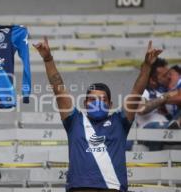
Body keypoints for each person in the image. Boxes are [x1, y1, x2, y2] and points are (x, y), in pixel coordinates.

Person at [33, 37, 161, 192]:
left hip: (113, 188)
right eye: (92, 99)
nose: (97, 102)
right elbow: (58, 88)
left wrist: (147, 65)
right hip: (79, 188)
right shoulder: (74, 120)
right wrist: (48, 59)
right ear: (85, 103)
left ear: (110, 104)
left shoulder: (120, 121)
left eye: (102, 99)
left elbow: (137, 91)